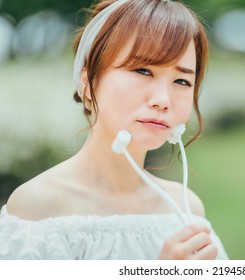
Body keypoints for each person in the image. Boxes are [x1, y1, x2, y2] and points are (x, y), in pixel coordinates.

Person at [0, 0, 228, 260]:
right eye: (143, 70)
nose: (163, 100)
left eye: (182, 80)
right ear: (88, 83)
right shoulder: (36, 208)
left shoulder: (185, 209)